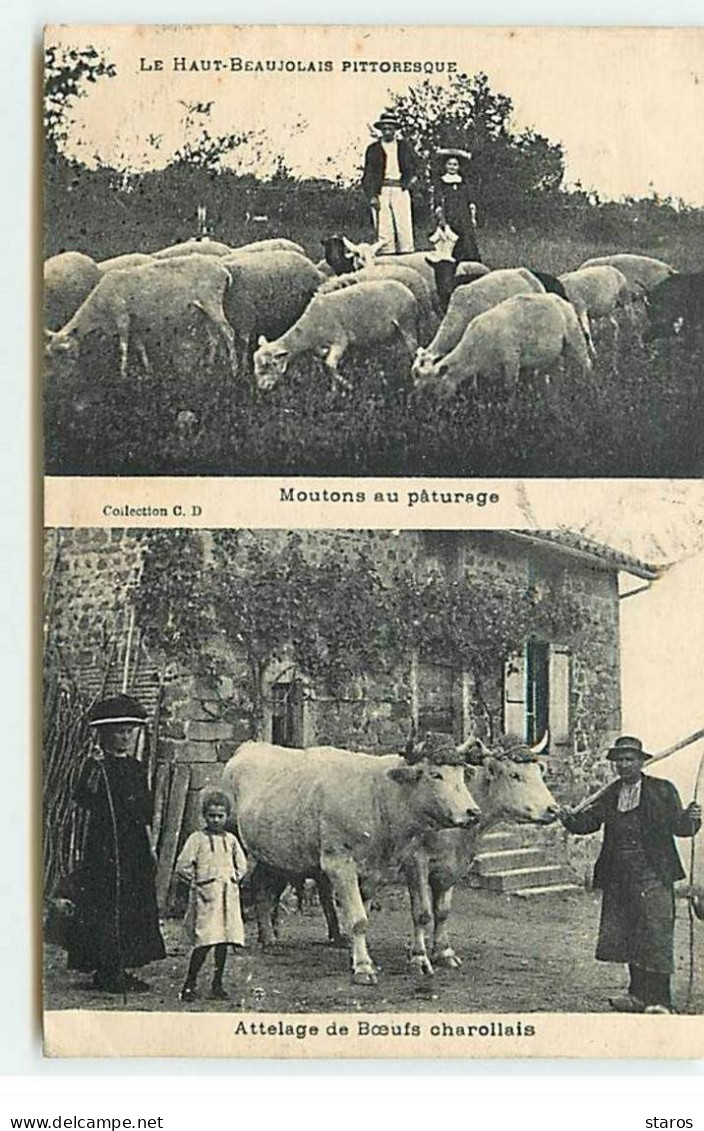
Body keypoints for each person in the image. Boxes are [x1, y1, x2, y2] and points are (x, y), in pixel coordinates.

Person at [560, 735, 701, 1014]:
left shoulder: (662, 790)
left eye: (629, 759)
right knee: (630, 935)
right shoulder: (610, 794)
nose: (623, 765)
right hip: (619, 877)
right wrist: (569, 819)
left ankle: (661, 1001)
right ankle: (637, 996)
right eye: (619, 760)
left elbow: (680, 828)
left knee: (656, 934)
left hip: (654, 875)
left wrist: (692, 817)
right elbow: (588, 823)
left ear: (641, 762)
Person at [67, 695, 166, 994]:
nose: (124, 737)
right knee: (106, 903)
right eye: (118, 732)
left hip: (133, 846)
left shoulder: (136, 768)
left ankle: (120, 966)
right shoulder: (96, 765)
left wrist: (148, 846)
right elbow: (82, 797)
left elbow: (145, 811)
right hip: (104, 846)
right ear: (105, 734)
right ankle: (106, 969)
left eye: (128, 731)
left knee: (131, 903)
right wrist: (95, 770)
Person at [175, 790, 248, 1002]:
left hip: (227, 897)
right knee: (204, 940)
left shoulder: (231, 840)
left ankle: (217, 982)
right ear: (204, 816)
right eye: (211, 815)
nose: (216, 820)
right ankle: (190, 982)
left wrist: (234, 877)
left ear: (227, 817)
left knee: (224, 940)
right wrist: (199, 881)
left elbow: (241, 864)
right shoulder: (197, 839)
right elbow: (183, 865)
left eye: (220, 816)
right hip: (206, 898)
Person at [361, 111, 418, 254]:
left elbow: (417, 165)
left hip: (400, 189)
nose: (387, 131)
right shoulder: (373, 149)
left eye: (390, 128)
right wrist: (372, 196)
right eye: (384, 128)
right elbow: (368, 174)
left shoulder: (404, 147)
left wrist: (412, 180)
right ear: (380, 130)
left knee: (404, 228)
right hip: (382, 191)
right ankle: (388, 259)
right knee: (384, 230)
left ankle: (407, 258)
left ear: (395, 130)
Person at [432, 150, 482, 263]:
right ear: (445, 166)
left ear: (459, 167)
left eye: (455, 165)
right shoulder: (441, 182)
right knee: (450, 239)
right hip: (449, 215)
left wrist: (473, 216)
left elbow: (470, 199)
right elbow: (438, 199)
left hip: (464, 215)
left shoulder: (463, 182)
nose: (452, 167)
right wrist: (440, 216)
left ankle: (470, 263)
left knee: (467, 239)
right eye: (449, 164)